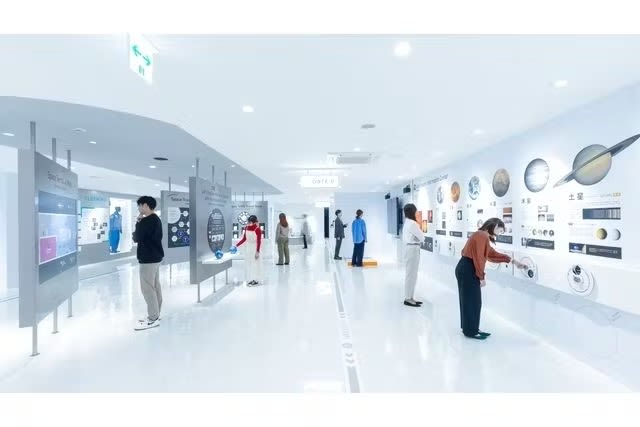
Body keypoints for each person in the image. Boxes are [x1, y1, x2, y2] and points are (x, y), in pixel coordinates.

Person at [455, 218, 527, 339]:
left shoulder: (481, 235)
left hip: (466, 267)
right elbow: (478, 258)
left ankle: (470, 328)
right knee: (473, 301)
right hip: (468, 268)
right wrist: (481, 276)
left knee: (470, 301)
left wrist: (513, 261)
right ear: (495, 226)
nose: (500, 234)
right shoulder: (482, 236)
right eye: (500, 230)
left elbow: (491, 254)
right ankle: (471, 331)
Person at [132, 196, 164, 331]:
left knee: (147, 288)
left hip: (148, 259)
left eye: (139, 205)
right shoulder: (156, 219)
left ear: (145, 205)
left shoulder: (146, 221)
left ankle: (153, 318)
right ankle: (156, 314)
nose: (139, 208)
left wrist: (138, 221)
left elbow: (136, 237)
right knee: (155, 286)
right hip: (156, 257)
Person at [402, 204, 423, 307]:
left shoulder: (407, 222)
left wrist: (417, 237)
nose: (417, 212)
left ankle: (410, 297)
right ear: (412, 212)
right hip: (413, 249)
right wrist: (418, 237)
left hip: (410, 248)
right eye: (416, 210)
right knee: (411, 274)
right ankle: (408, 298)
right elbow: (422, 237)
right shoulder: (413, 223)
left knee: (411, 274)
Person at [234, 215, 263, 286]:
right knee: (249, 263)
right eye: (248, 222)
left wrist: (257, 251)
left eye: (250, 222)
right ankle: (250, 278)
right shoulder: (246, 228)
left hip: (255, 247)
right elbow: (244, 239)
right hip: (248, 248)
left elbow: (259, 241)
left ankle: (255, 279)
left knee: (255, 264)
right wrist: (236, 245)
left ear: (254, 222)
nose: (249, 223)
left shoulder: (257, 229)